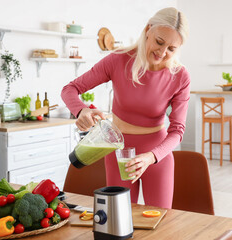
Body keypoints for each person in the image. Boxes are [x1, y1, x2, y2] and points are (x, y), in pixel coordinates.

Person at [61, 7, 190, 209]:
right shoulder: (118, 60)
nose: (163, 52)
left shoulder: (180, 76)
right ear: (148, 29)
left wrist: (151, 157)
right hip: (118, 151)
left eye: (171, 49)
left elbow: (177, 130)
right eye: (159, 42)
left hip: (156, 157)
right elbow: (70, 89)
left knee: (159, 225)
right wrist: (81, 110)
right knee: (118, 222)